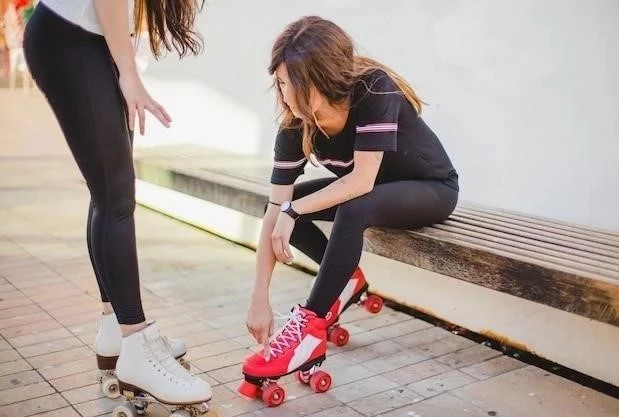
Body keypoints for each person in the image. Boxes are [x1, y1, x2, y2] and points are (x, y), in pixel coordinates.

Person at [239, 16, 459, 404]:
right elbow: (275, 207)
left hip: (432, 189)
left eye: (287, 82)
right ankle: (345, 282)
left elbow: (361, 182)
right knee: (296, 208)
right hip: (374, 192)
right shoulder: (295, 126)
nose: (282, 91)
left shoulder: (373, 89)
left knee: (349, 207)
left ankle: (309, 329)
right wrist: (260, 296)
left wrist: (292, 211)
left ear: (316, 81)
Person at [22, 0, 212, 409]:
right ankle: (137, 345)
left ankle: (116, 330)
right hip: (68, 40)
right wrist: (128, 73)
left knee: (110, 194)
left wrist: (124, 61)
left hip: (86, 42)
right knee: (116, 198)